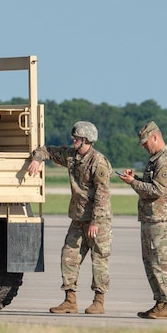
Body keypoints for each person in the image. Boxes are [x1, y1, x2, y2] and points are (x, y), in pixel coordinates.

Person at [27, 121, 113, 314]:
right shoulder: (72, 156)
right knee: (68, 255)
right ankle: (70, 300)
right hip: (78, 217)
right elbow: (47, 150)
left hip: (97, 220)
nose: (73, 140)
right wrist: (37, 159)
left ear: (87, 140)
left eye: (77, 138)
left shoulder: (98, 162)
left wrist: (95, 222)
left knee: (99, 259)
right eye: (74, 137)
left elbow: (103, 195)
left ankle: (98, 301)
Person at [117, 121, 167, 320]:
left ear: (155, 137)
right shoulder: (155, 159)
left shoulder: (166, 160)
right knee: (150, 262)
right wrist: (135, 178)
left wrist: (133, 183)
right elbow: (150, 184)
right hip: (150, 218)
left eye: (146, 143)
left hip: (161, 219)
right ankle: (160, 302)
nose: (144, 147)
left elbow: (158, 190)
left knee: (162, 262)